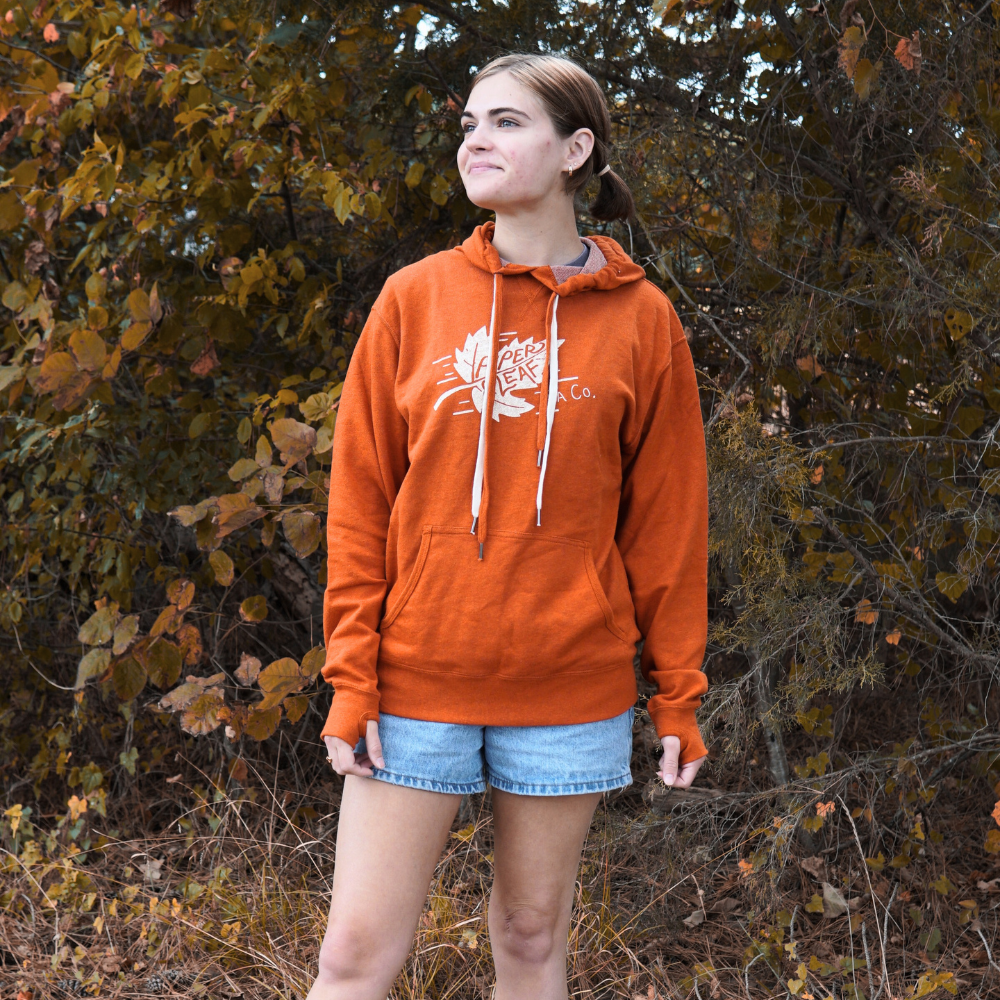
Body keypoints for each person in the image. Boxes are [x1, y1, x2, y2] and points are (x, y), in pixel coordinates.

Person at [308, 52, 709, 1000]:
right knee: (352, 957)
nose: (476, 140)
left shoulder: (645, 323)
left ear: (576, 150)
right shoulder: (414, 299)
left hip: (571, 686)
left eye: (507, 122)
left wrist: (678, 694)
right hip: (416, 679)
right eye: (469, 125)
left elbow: (669, 524)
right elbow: (360, 503)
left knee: (531, 941)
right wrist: (350, 675)